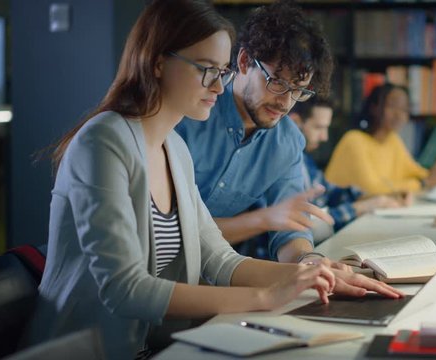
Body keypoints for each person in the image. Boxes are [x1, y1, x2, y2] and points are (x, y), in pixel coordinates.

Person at [23, 2, 403, 359]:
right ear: (157, 63)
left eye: (221, 73)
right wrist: (266, 297)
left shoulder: (174, 148)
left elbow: (219, 259)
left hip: (155, 344)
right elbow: (126, 290)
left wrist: (311, 273)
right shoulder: (104, 141)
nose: (220, 87)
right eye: (207, 69)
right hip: (86, 349)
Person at [175, 0, 335, 263]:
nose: (285, 102)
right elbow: (170, 230)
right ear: (244, 61)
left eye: (298, 91)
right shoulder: (188, 114)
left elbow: (289, 232)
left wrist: (308, 263)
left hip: (215, 273)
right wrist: (263, 219)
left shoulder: (287, 142)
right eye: (277, 83)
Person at [289, 97, 405, 238]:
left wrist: (369, 197)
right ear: (295, 122)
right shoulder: (284, 166)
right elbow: (306, 223)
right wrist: (360, 207)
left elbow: (329, 192)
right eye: (318, 127)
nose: (324, 137)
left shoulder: (305, 159)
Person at [325, 83, 436, 196]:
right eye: (392, 106)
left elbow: (417, 172)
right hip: (340, 221)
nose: (399, 115)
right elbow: (372, 190)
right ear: (374, 107)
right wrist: (422, 183)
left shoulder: (392, 140)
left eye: (404, 109)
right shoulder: (354, 140)